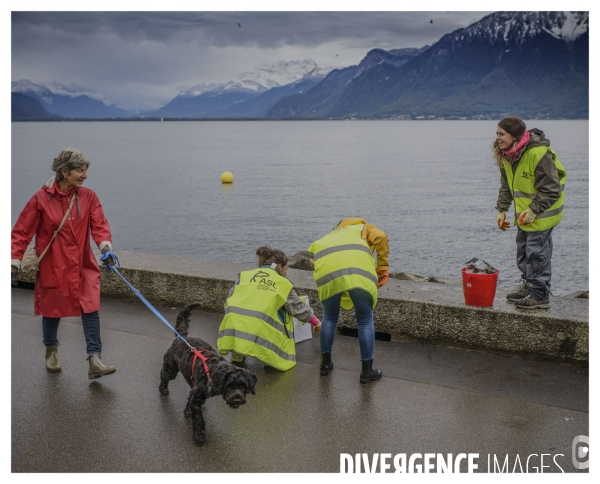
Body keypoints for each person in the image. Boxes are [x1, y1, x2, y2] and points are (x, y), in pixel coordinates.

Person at [11, 148, 119, 378]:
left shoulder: (89, 196)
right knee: (52, 310)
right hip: (53, 265)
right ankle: (51, 350)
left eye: (86, 170)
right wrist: (14, 260)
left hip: (82, 264)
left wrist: (105, 247)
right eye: (80, 171)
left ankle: (95, 359)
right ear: (64, 172)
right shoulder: (40, 199)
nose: (85, 175)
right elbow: (21, 232)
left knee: (91, 308)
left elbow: (99, 225)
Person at [494, 116, 566, 309]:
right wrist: (502, 210)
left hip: (542, 214)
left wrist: (533, 210)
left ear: (515, 136)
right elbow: (506, 186)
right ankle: (529, 287)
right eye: (497, 134)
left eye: (502, 134)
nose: (497, 138)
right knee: (524, 252)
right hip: (525, 216)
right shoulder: (508, 155)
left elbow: (552, 190)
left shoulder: (539, 154)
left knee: (538, 255)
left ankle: (540, 296)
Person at [308, 218, 389, 384]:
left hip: (327, 275)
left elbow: (315, 258)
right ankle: (367, 372)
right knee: (365, 320)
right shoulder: (363, 227)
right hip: (358, 274)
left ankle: (325, 365)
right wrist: (382, 267)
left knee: (329, 318)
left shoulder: (330, 235)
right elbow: (381, 237)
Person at [217, 246, 321, 371]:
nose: (286, 272)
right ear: (279, 267)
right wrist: (316, 322)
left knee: (241, 310)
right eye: (286, 269)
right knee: (281, 312)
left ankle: (237, 351)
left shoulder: (244, 276)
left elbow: (229, 300)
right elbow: (298, 308)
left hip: (234, 327)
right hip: (259, 329)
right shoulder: (282, 283)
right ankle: (270, 358)